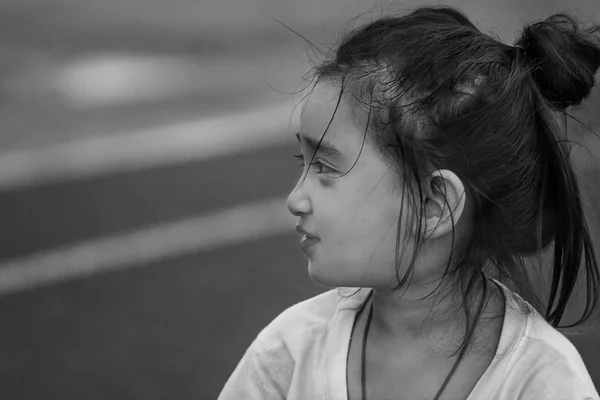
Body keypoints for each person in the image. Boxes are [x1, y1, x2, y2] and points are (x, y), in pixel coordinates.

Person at [218, 6, 600, 400]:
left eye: (326, 167)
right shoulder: (289, 353)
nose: (295, 199)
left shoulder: (542, 384)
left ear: (434, 206)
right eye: (304, 162)